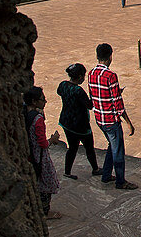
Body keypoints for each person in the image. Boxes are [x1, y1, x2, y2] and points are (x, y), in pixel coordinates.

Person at [88, 43, 138, 190]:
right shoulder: (110, 76)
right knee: (118, 151)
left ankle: (106, 175)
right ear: (110, 56)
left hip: (99, 118)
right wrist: (129, 122)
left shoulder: (91, 73)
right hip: (110, 119)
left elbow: (94, 95)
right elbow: (118, 103)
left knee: (112, 146)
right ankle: (121, 181)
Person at [57, 63, 101, 179]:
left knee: (72, 148)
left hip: (66, 122)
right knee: (89, 148)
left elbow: (59, 92)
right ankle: (95, 168)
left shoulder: (63, 85)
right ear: (80, 76)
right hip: (80, 125)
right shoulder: (78, 90)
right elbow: (89, 105)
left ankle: (67, 171)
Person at [23, 86, 62, 218]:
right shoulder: (38, 119)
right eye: (43, 99)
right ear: (34, 102)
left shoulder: (25, 114)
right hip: (39, 156)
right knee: (47, 184)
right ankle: (44, 212)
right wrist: (52, 139)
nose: (45, 102)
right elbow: (43, 143)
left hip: (30, 155)